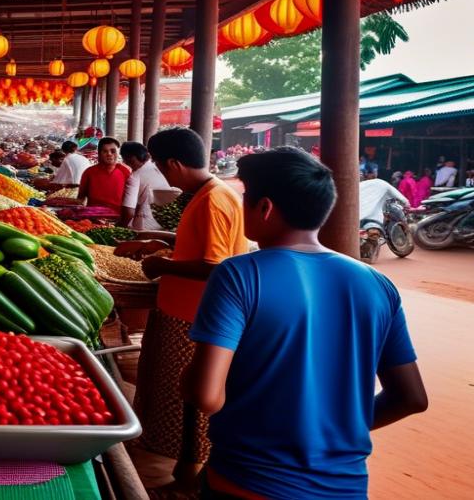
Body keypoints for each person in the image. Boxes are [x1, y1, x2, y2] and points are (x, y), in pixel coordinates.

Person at [183, 147, 427, 498]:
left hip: (248, 483)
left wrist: (186, 376)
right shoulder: (376, 285)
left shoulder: (239, 275)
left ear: (264, 208)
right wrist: (335, 434)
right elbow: (412, 398)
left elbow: (206, 396)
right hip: (346, 488)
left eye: (246, 197)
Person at [122, 126, 247, 490]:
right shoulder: (210, 194)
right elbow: (200, 246)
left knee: (188, 400)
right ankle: (184, 470)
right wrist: (154, 242)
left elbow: (216, 265)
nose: (161, 173)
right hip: (185, 312)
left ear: (174, 163)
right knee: (180, 397)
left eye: (161, 166)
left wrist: (162, 265)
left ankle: (189, 473)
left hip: (195, 317)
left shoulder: (213, 199)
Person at [119, 141, 171, 231]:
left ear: (129, 159)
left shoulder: (135, 176)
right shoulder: (161, 169)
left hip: (146, 228)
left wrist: (119, 229)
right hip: (168, 225)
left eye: (126, 160)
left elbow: (129, 211)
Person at [77, 137, 132, 211]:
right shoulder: (89, 172)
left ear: (118, 153)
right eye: (105, 151)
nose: (109, 154)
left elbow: (130, 199)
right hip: (93, 217)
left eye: (113, 151)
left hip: (118, 218)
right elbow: (81, 198)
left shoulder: (125, 171)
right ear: (99, 153)